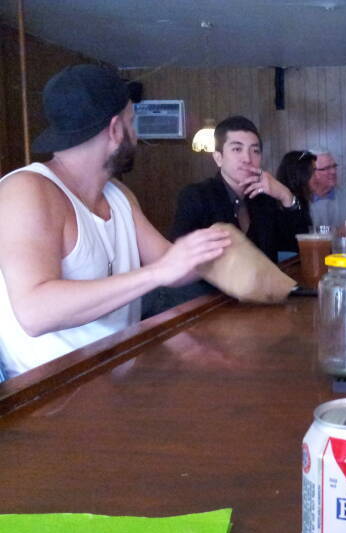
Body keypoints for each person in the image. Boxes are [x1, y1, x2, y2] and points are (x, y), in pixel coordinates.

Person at [0, 64, 230, 377]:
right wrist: (158, 273)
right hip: (48, 396)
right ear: (114, 130)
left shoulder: (119, 194)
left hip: (118, 380)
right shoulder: (27, 190)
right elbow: (34, 312)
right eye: (132, 122)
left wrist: (222, 250)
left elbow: (173, 266)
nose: (136, 135)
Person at [171, 116, 306, 263]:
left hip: (266, 284)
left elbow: (297, 247)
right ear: (218, 158)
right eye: (237, 149)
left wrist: (286, 195)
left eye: (255, 151)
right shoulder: (196, 196)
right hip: (213, 286)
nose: (247, 158)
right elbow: (180, 257)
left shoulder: (265, 198)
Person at [275, 150, 316, 251]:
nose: (317, 177)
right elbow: (297, 246)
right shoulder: (284, 206)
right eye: (313, 172)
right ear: (300, 175)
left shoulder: (302, 201)